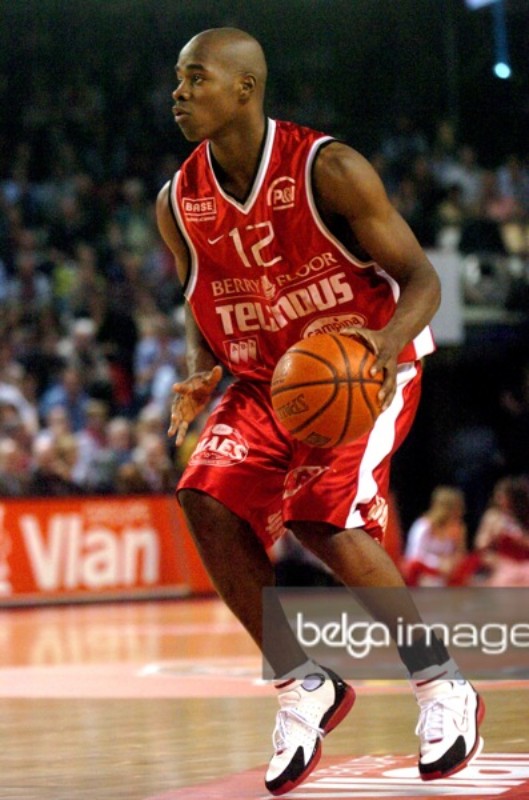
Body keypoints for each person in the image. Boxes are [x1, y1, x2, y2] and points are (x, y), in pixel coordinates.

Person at [156, 27, 484, 795]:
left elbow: (420, 278)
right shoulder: (178, 201)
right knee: (204, 499)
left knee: (318, 515)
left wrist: (383, 346)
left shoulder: (327, 168)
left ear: (244, 88)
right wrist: (201, 370)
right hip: (267, 377)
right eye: (177, 79)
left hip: (357, 364)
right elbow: (200, 297)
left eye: (194, 78)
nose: (178, 93)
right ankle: (301, 681)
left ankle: (440, 683)